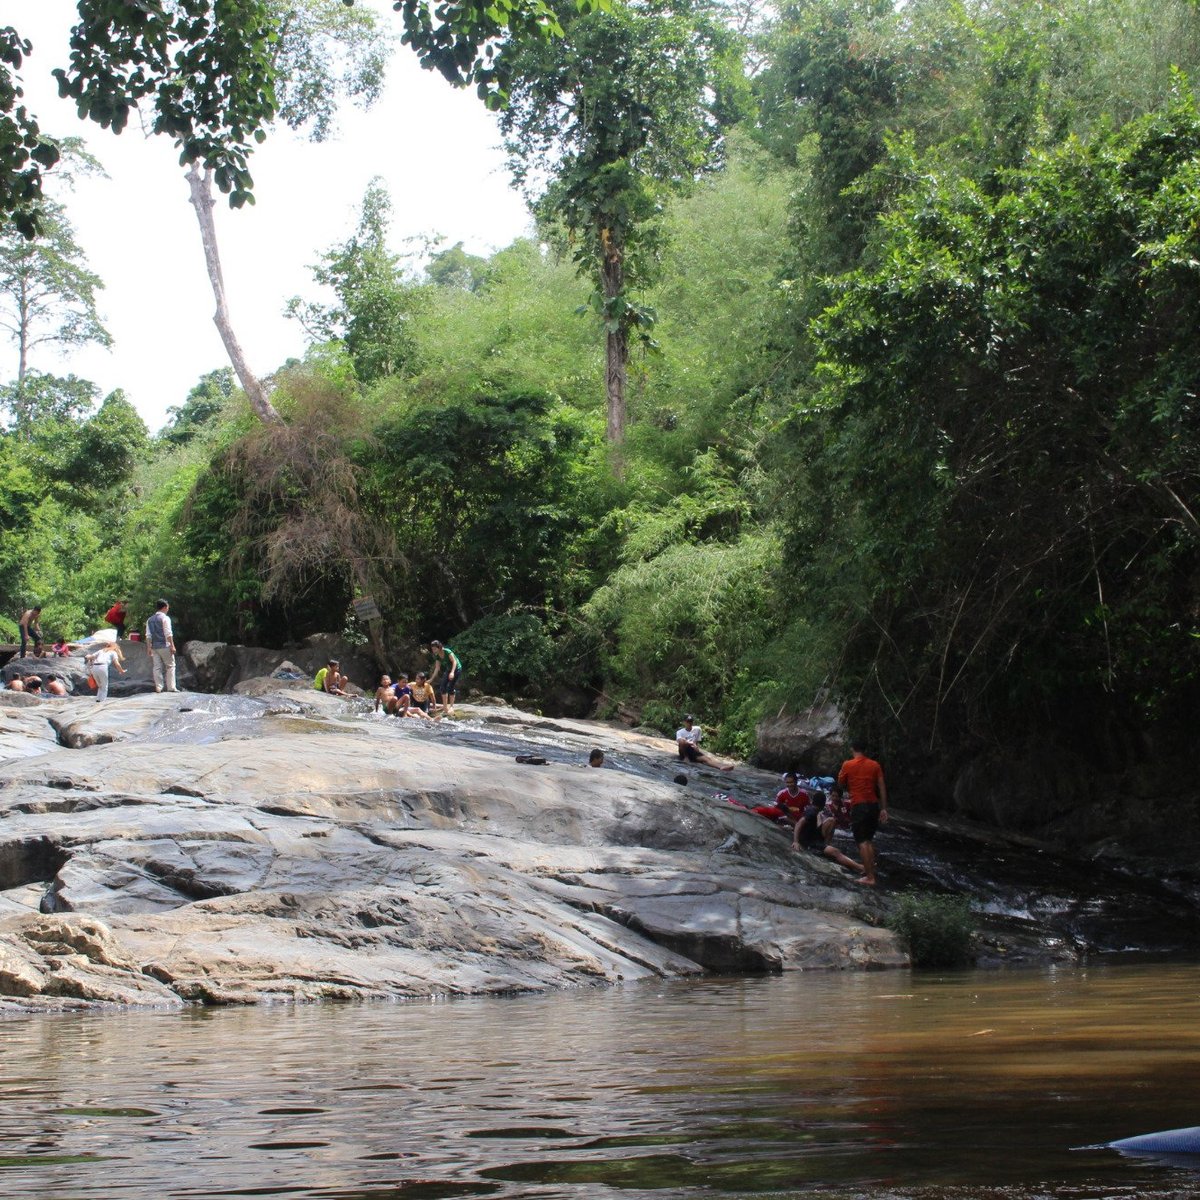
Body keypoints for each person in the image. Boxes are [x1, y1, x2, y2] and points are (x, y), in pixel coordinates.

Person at [837, 740, 889, 886]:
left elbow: (840, 784)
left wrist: (842, 775)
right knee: (868, 840)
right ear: (865, 749)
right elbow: (882, 786)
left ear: (852, 748)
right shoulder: (875, 765)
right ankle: (869, 870)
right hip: (873, 806)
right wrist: (884, 808)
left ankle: (870, 877)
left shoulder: (847, 764)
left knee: (862, 842)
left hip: (859, 806)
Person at [792, 792, 867, 874]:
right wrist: (796, 842)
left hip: (813, 836)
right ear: (823, 804)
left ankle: (826, 844)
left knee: (832, 820)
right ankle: (860, 867)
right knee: (835, 852)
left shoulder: (812, 809)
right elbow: (799, 823)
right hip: (810, 843)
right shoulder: (812, 812)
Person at [144, 599, 178, 693]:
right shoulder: (165, 618)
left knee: (157, 667)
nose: (168, 609)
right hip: (165, 645)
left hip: (155, 647)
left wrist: (149, 647)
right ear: (164, 607)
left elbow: (148, 635)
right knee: (170, 666)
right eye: (167, 607)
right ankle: (171, 687)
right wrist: (172, 645)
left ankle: (159, 687)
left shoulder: (149, 620)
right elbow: (168, 633)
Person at [429, 640, 463, 717]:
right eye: (432, 649)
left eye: (435, 649)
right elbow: (437, 668)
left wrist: (452, 672)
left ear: (439, 647)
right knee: (442, 687)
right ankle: (445, 707)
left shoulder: (447, 651)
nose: (433, 651)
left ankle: (451, 706)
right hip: (449, 669)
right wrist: (431, 679)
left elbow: (454, 662)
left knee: (450, 688)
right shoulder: (437, 656)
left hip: (457, 669)